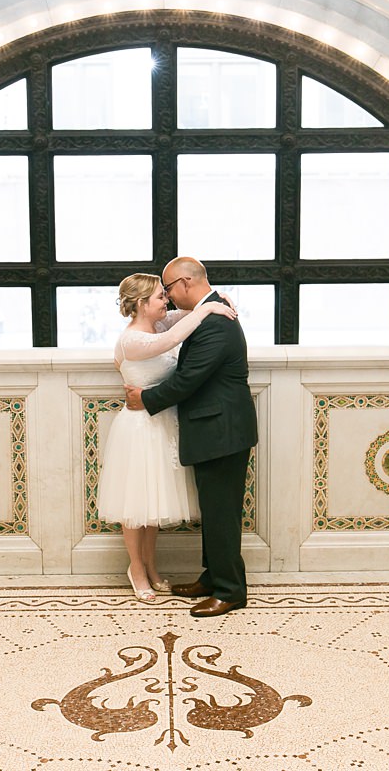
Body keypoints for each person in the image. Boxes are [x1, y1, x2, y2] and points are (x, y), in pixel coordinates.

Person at [126, 257, 258, 617]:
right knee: (214, 511)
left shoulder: (215, 320)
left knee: (222, 513)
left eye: (168, 289)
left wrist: (145, 399)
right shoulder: (210, 312)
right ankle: (212, 577)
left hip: (223, 429)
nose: (167, 298)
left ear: (184, 283)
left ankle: (230, 590)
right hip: (215, 427)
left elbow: (190, 378)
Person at [100, 272, 237, 603]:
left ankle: (151, 566)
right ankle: (136, 569)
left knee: (153, 505)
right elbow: (174, 338)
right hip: (138, 429)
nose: (168, 301)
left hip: (162, 426)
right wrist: (206, 311)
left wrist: (220, 302)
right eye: (161, 297)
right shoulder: (132, 339)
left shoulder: (158, 324)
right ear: (143, 303)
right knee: (135, 506)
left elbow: (186, 313)